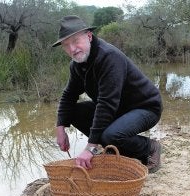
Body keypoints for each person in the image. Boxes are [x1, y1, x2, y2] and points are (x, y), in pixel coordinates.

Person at [53, 15, 163, 173]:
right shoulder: (76, 64)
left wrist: (90, 148)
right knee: (73, 113)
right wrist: (60, 129)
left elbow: (106, 104)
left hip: (145, 107)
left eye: (76, 41)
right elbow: (68, 96)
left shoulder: (108, 57)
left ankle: (150, 147)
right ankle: (114, 148)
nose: (72, 49)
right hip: (119, 109)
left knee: (110, 136)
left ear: (89, 36)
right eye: (66, 45)